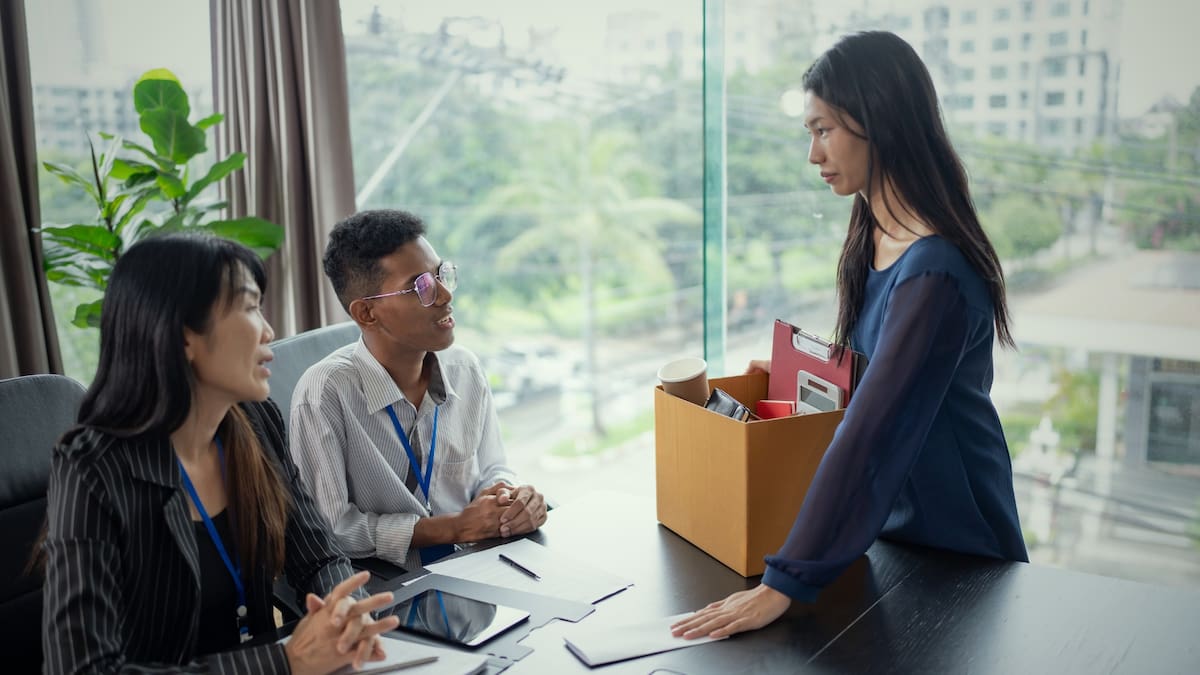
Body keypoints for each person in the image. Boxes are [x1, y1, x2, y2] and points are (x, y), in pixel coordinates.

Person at [673, 30, 1029, 640]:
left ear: (878, 121)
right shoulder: (875, 235)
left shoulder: (935, 270)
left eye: (823, 130)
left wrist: (783, 582)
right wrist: (796, 377)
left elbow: (874, 429)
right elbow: (882, 372)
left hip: (960, 547)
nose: (813, 155)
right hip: (895, 532)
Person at [41, 234, 401, 674]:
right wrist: (284, 662)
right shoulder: (92, 467)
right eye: (250, 308)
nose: (269, 331)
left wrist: (347, 614)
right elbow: (83, 669)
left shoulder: (253, 421)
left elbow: (318, 555)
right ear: (183, 335)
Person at [290, 209, 547, 573]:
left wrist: (512, 498)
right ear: (366, 314)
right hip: (385, 591)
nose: (444, 295)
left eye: (441, 275)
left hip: (478, 570)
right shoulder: (324, 394)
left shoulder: (464, 370)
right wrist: (451, 528)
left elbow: (493, 468)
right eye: (421, 287)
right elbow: (334, 529)